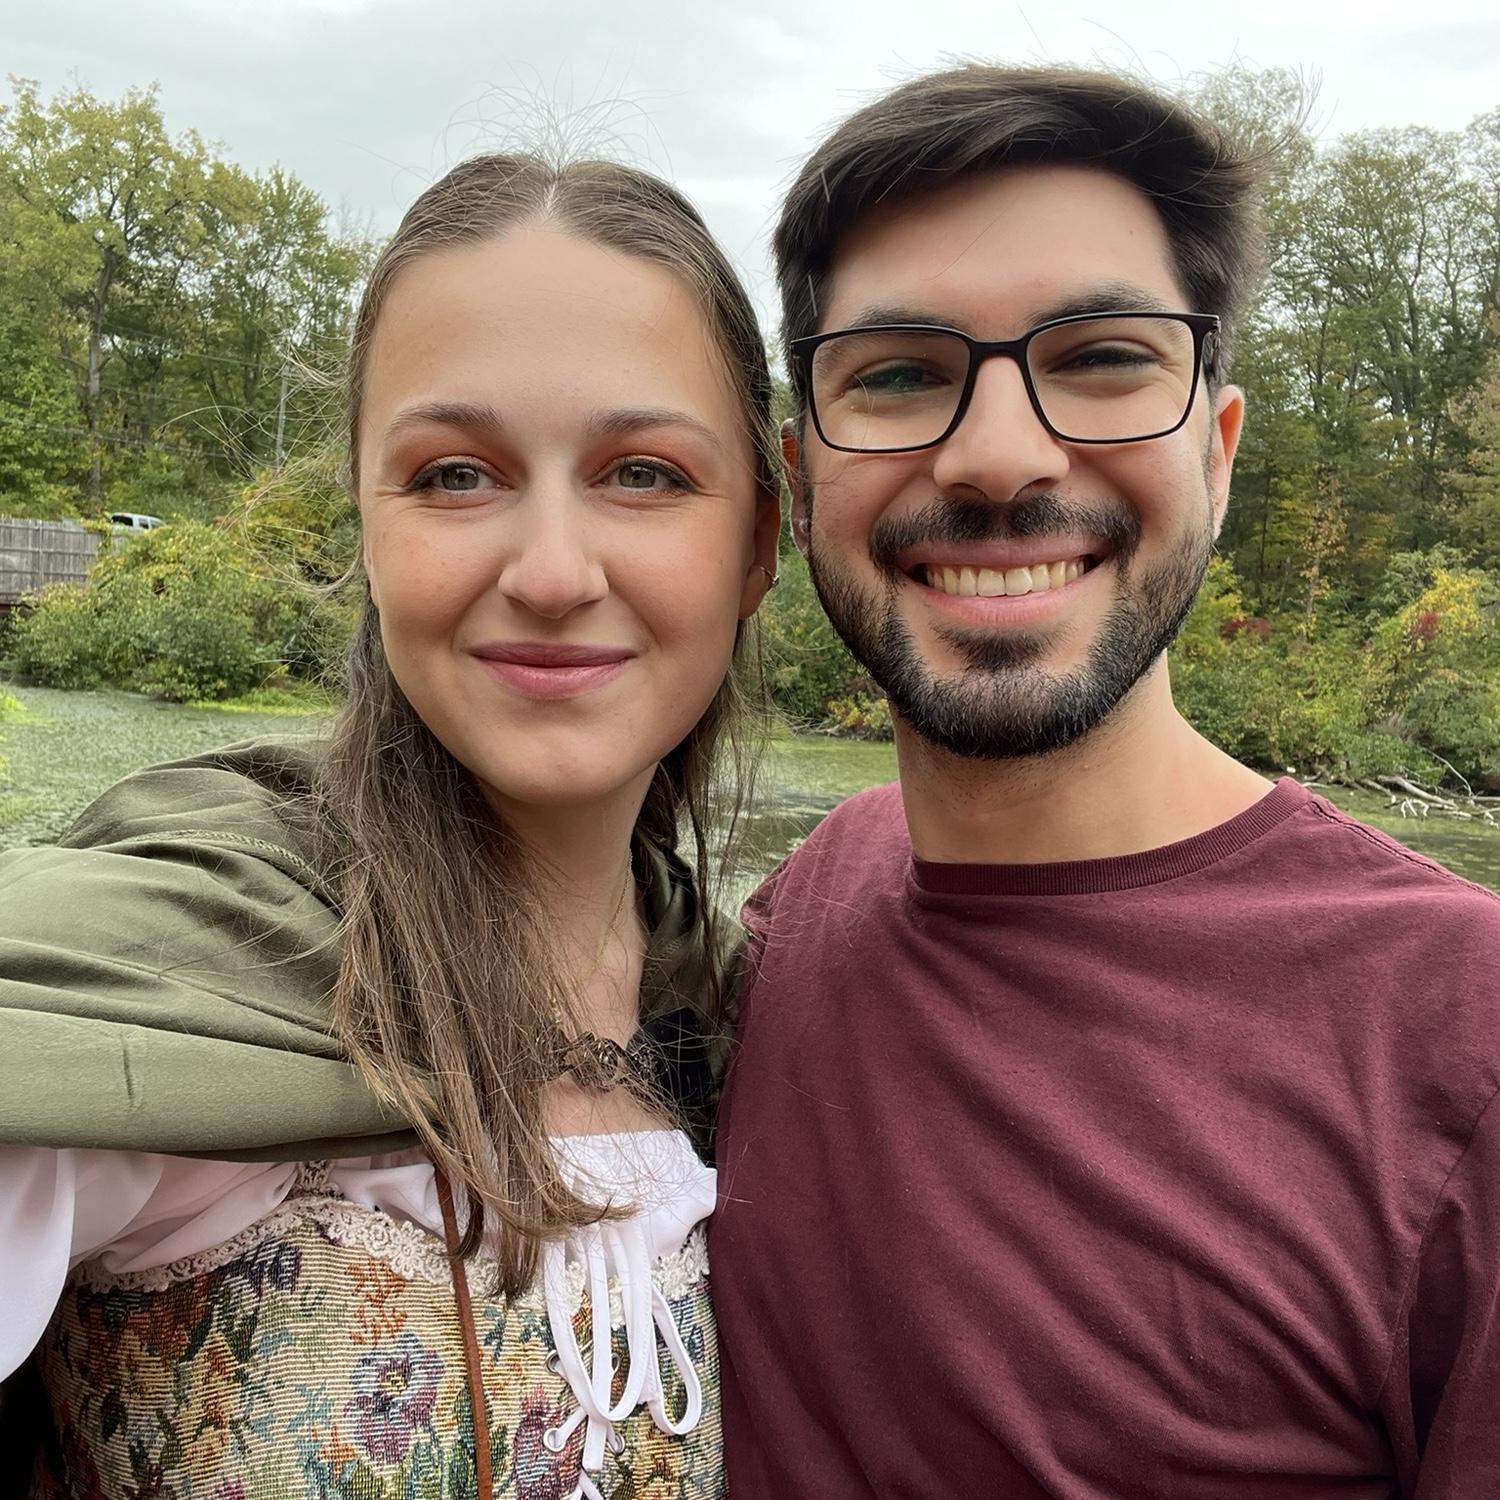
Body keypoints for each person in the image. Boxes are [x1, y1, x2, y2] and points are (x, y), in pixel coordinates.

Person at [710, 64, 1500, 1498]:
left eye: (1103, 358)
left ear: (1218, 447)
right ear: (802, 472)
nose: (998, 457)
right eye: (896, 373)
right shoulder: (800, 909)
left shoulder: (1463, 1038)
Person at [0, 152, 779, 1498]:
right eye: (455, 474)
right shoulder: (168, 958)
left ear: (761, 541)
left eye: (645, 473)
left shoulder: (749, 1012)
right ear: (363, 523)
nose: (551, 572)